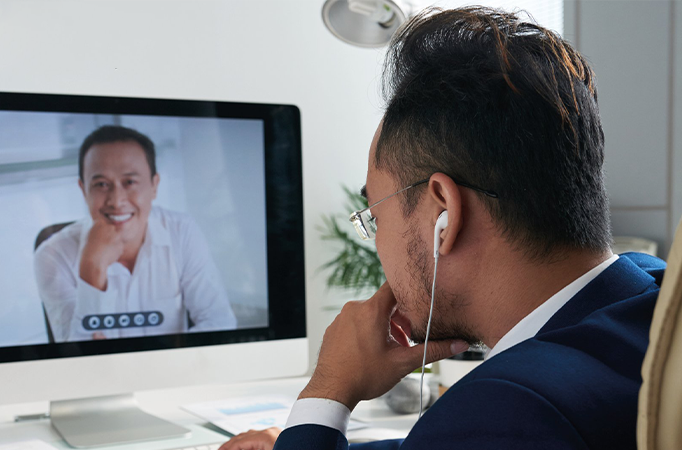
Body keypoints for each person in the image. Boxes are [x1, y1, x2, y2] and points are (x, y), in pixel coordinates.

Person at [219, 7, 665, 450]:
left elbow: (495, 426)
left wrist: (326, 395)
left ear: (444, 214)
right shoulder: (652, 293)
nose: (377, 244)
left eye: (377, 215)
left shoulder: (509, 405)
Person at [35, 125, 237, 342]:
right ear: (83, 190)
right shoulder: (52, 255)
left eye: (130, 182)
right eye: (101, 184)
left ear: (154, 186)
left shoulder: (181, 231)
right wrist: (91, 270)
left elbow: (219, 323)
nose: (116, 200)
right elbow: (74, 357)